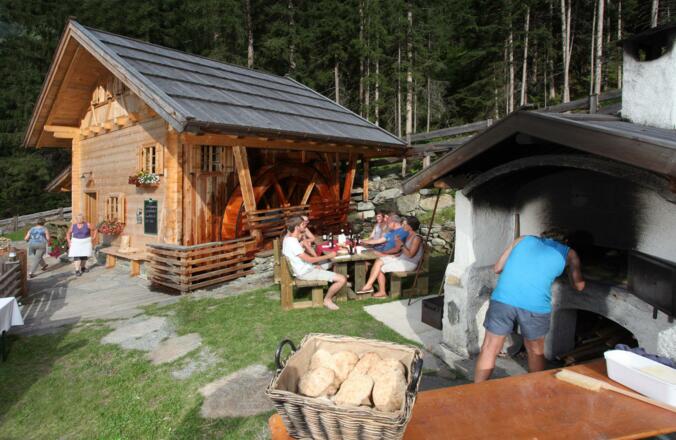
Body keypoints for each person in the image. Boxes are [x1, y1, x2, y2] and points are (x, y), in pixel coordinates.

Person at [474, 229, 585, 383]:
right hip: (535, 306)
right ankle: (535, 390)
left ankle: (477, 389)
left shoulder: (522, 239)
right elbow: (579, 286)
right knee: (535, 351)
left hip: (503, 299)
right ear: (565, 242)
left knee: (489, 347)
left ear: (542, 236)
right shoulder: (569, 253)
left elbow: (497, 268)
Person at [282, 216, 347, 310]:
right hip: (304, 273)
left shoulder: (288, 239)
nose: (305, 226)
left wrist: (314, 265)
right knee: (342, 279)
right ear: (296, 227)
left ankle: (332, 281)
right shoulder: (292, 242)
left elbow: (306, 260)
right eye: (303, 224)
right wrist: (329, 256)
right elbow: (310, 259)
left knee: (332, 263)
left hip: (305, 268)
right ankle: (327, 300)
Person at [358, 216, 423, 297]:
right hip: (401, 259)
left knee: (380, 268)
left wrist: (401, 244)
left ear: (410, 226)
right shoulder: (408, 235)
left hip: (409, 263)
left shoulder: (417, 238)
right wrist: (395, 253)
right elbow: (402, 250)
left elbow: (410, 255)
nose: (402, 226)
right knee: (379, 260)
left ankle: (381, 291)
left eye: (404, 224)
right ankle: (369, 285)